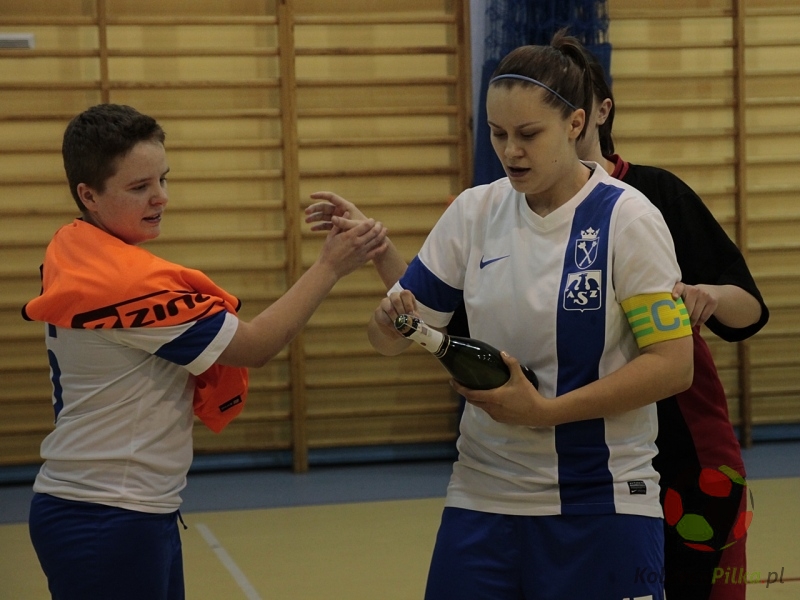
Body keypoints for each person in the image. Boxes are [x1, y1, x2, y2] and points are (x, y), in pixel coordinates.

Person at [366, 35, 695, 599]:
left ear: (575, 123)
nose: (510, 151)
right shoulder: (476, 211)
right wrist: (389, 321)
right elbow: (390, 339)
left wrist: (545, 413)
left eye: (527, 134)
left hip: (602, 501)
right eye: (498, 134)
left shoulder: (628, 219)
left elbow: (673, 365)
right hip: (483, 497)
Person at [22, 103, 388, 600]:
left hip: (118, 507)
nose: (160, 197)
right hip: (107, 514)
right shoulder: (124, 286)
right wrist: (329, 267)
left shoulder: (75, 251)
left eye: (163, 179)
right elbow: (255, 346)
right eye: (139, 187)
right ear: (88, 195)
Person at [571, 35, 768, 600]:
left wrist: (710, 294)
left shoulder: (653, 194)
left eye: (574, 104)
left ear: (600, 111)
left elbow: (749, 310)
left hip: (687, 454)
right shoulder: (522, 212)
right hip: (584, 462)